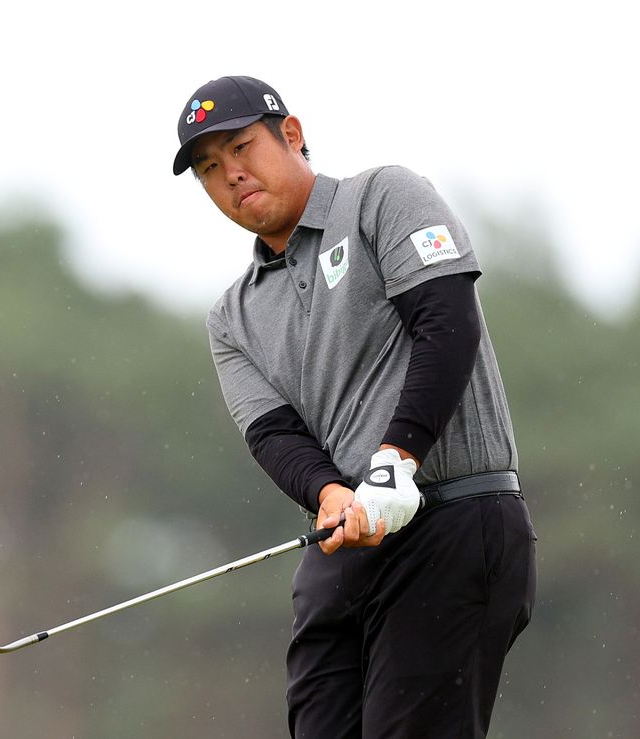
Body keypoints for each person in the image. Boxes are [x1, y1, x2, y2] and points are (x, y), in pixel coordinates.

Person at [173, 76, 537, 738]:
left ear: (290, 134)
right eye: (209, 168)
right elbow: (272, 432)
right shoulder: (234, 315)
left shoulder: (382, 198)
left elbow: (446, 323)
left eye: (240, 147)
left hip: (454, 517)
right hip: (343, 548)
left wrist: (397, 458)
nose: (230, 174)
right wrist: (329, 492)